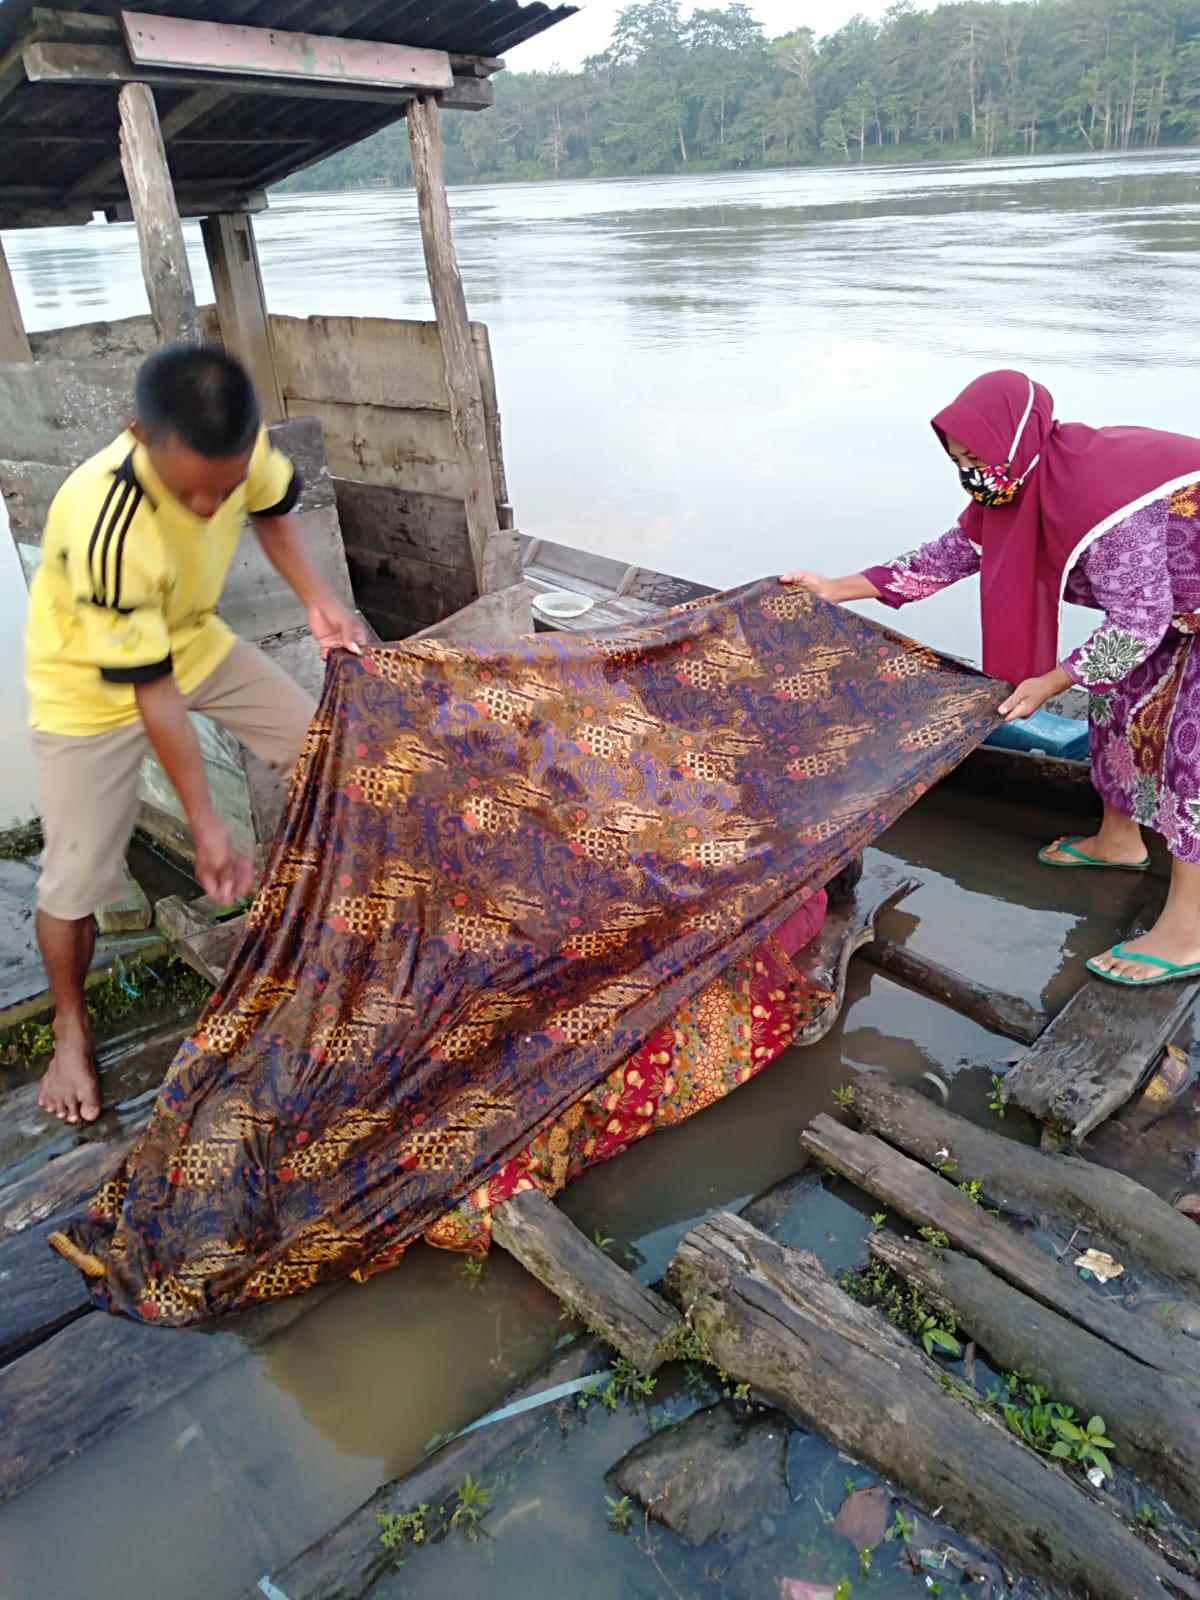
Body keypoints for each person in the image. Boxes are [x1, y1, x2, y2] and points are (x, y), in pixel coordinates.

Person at [24, 343, 365, 1124]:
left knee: (328, 753)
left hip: (193, 635)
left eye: (224, 488)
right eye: (191, 494)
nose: (211, 509)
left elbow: (274, 514)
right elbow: (153, 695)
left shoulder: (242, 449)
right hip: (90, 684)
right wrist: (206, 824)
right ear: (138, 435)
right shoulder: (104, 519)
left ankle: (322, 920)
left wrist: (316, 598)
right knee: (76, 879)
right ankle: (71, 1028)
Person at [783, 368, 1200, 989]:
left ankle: (1187, 931)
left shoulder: (1105, 501)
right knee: (1119, 710)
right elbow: (953, 554)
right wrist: (836, 587)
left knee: (1188, 755)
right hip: (1172, 610)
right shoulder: (1024, 480)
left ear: (1016, 439)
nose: (974, 472)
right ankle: (1120, 843)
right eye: (959, 459)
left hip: (1169, 611)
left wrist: (1055, 679)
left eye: (978, 456)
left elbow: (1138, 624)